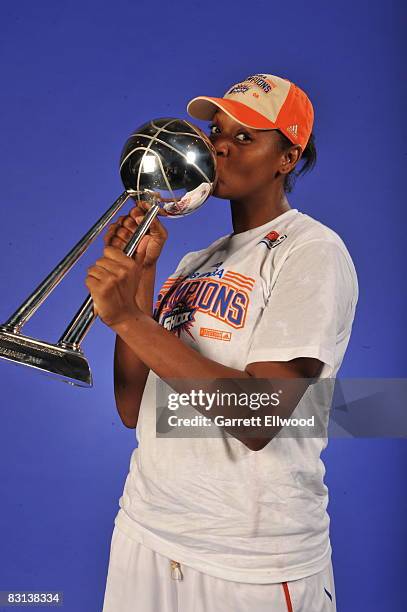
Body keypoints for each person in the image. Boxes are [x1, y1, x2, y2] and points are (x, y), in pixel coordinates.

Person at [86, 73, 359, 611]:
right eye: (217, 131)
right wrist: (144, 274)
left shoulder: (311, 252)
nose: (219, 147)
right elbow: (133, 406)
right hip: (147, 533)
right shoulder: (195, 263)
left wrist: (126, 319)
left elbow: (258, 419)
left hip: (250, 561)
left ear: (288, 158)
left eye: (245, 137)